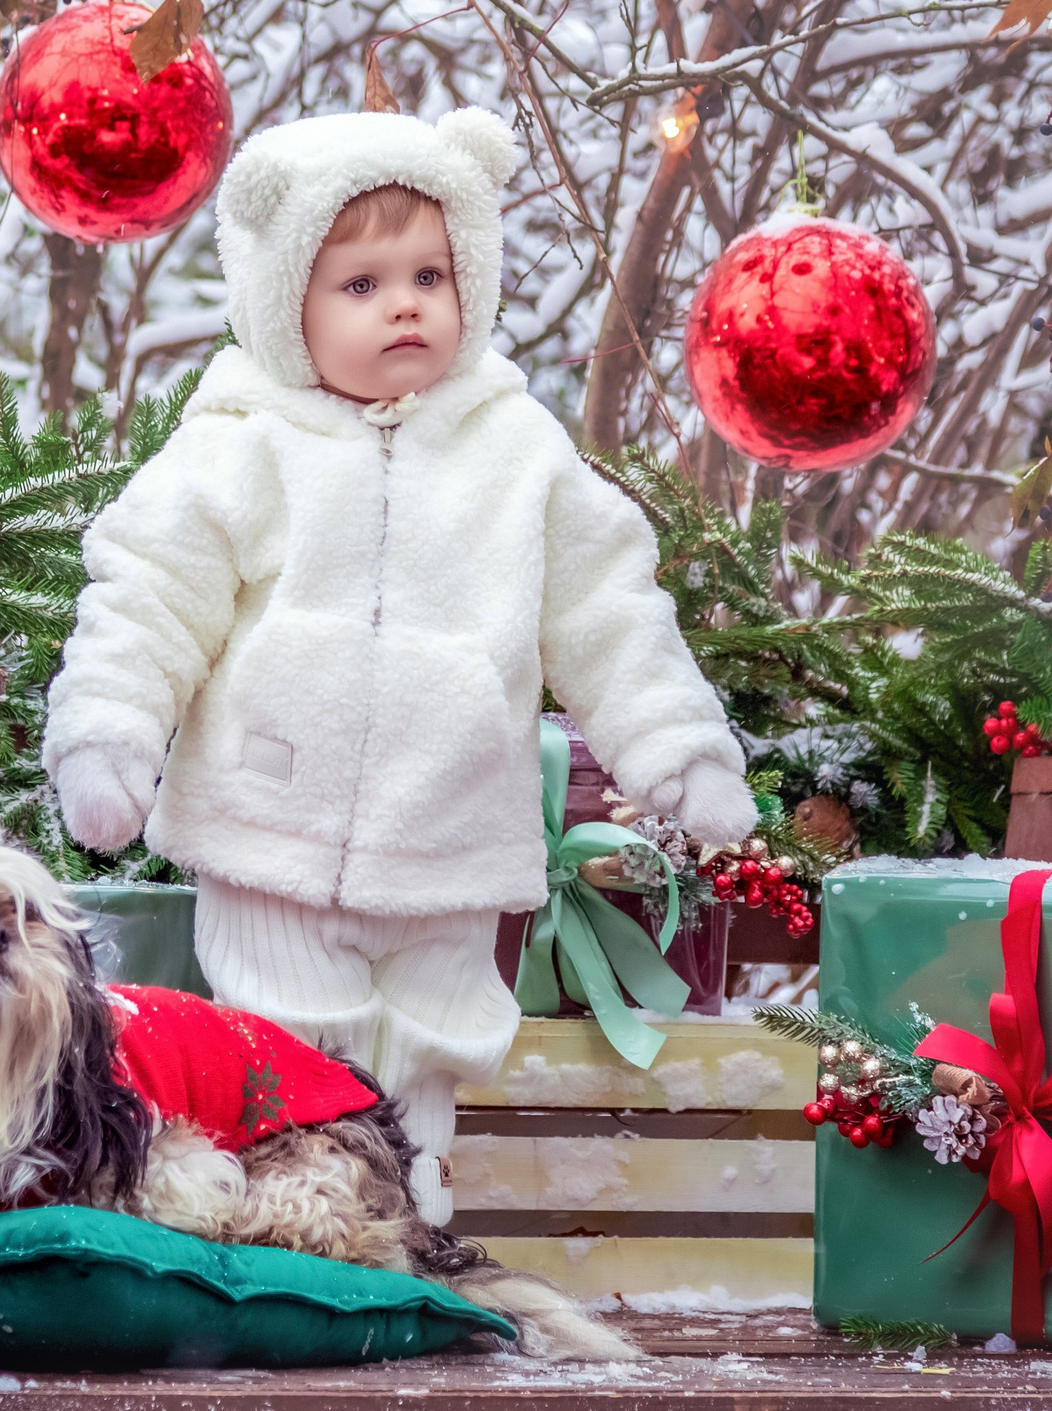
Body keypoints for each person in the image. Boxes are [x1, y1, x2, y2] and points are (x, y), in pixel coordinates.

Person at [41, 108, 755, 1225]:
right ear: (286, 301)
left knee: (430, 1040)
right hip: (270, 833)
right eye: (361, 285)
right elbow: (148, 597)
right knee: (283, 1039)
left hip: (452, 834)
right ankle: (290, 1218)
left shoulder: (516, 451)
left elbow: (609, 611)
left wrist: (677, 751)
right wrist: (110, 734)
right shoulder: (239, 442)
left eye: (430, 274)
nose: (406, 304)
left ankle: (414, 1216)